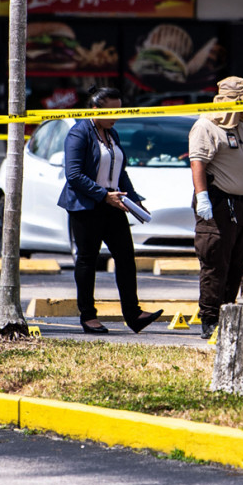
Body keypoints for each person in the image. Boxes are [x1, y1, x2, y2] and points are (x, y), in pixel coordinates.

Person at [57, 87, 163, 335]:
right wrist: (104, 195)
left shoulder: (112, 132)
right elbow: (73, 175)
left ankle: (133, 314)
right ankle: (88, 316)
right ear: (95, 110)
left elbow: (120, 172)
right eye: (112, 110)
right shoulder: (79, 133)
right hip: (88, 206)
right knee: (87, 259)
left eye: (120, 109)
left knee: (126, 257)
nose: (117, 115)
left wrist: (134, 201)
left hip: (114, 204)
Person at [189, 76, 243, 339]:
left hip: (241, 204)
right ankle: (210, 318)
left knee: (238, 263)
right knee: (215, 262)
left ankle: (227, 316)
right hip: (217, 203)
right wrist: (202, 196)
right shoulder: (206, 126)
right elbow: (198, 164)